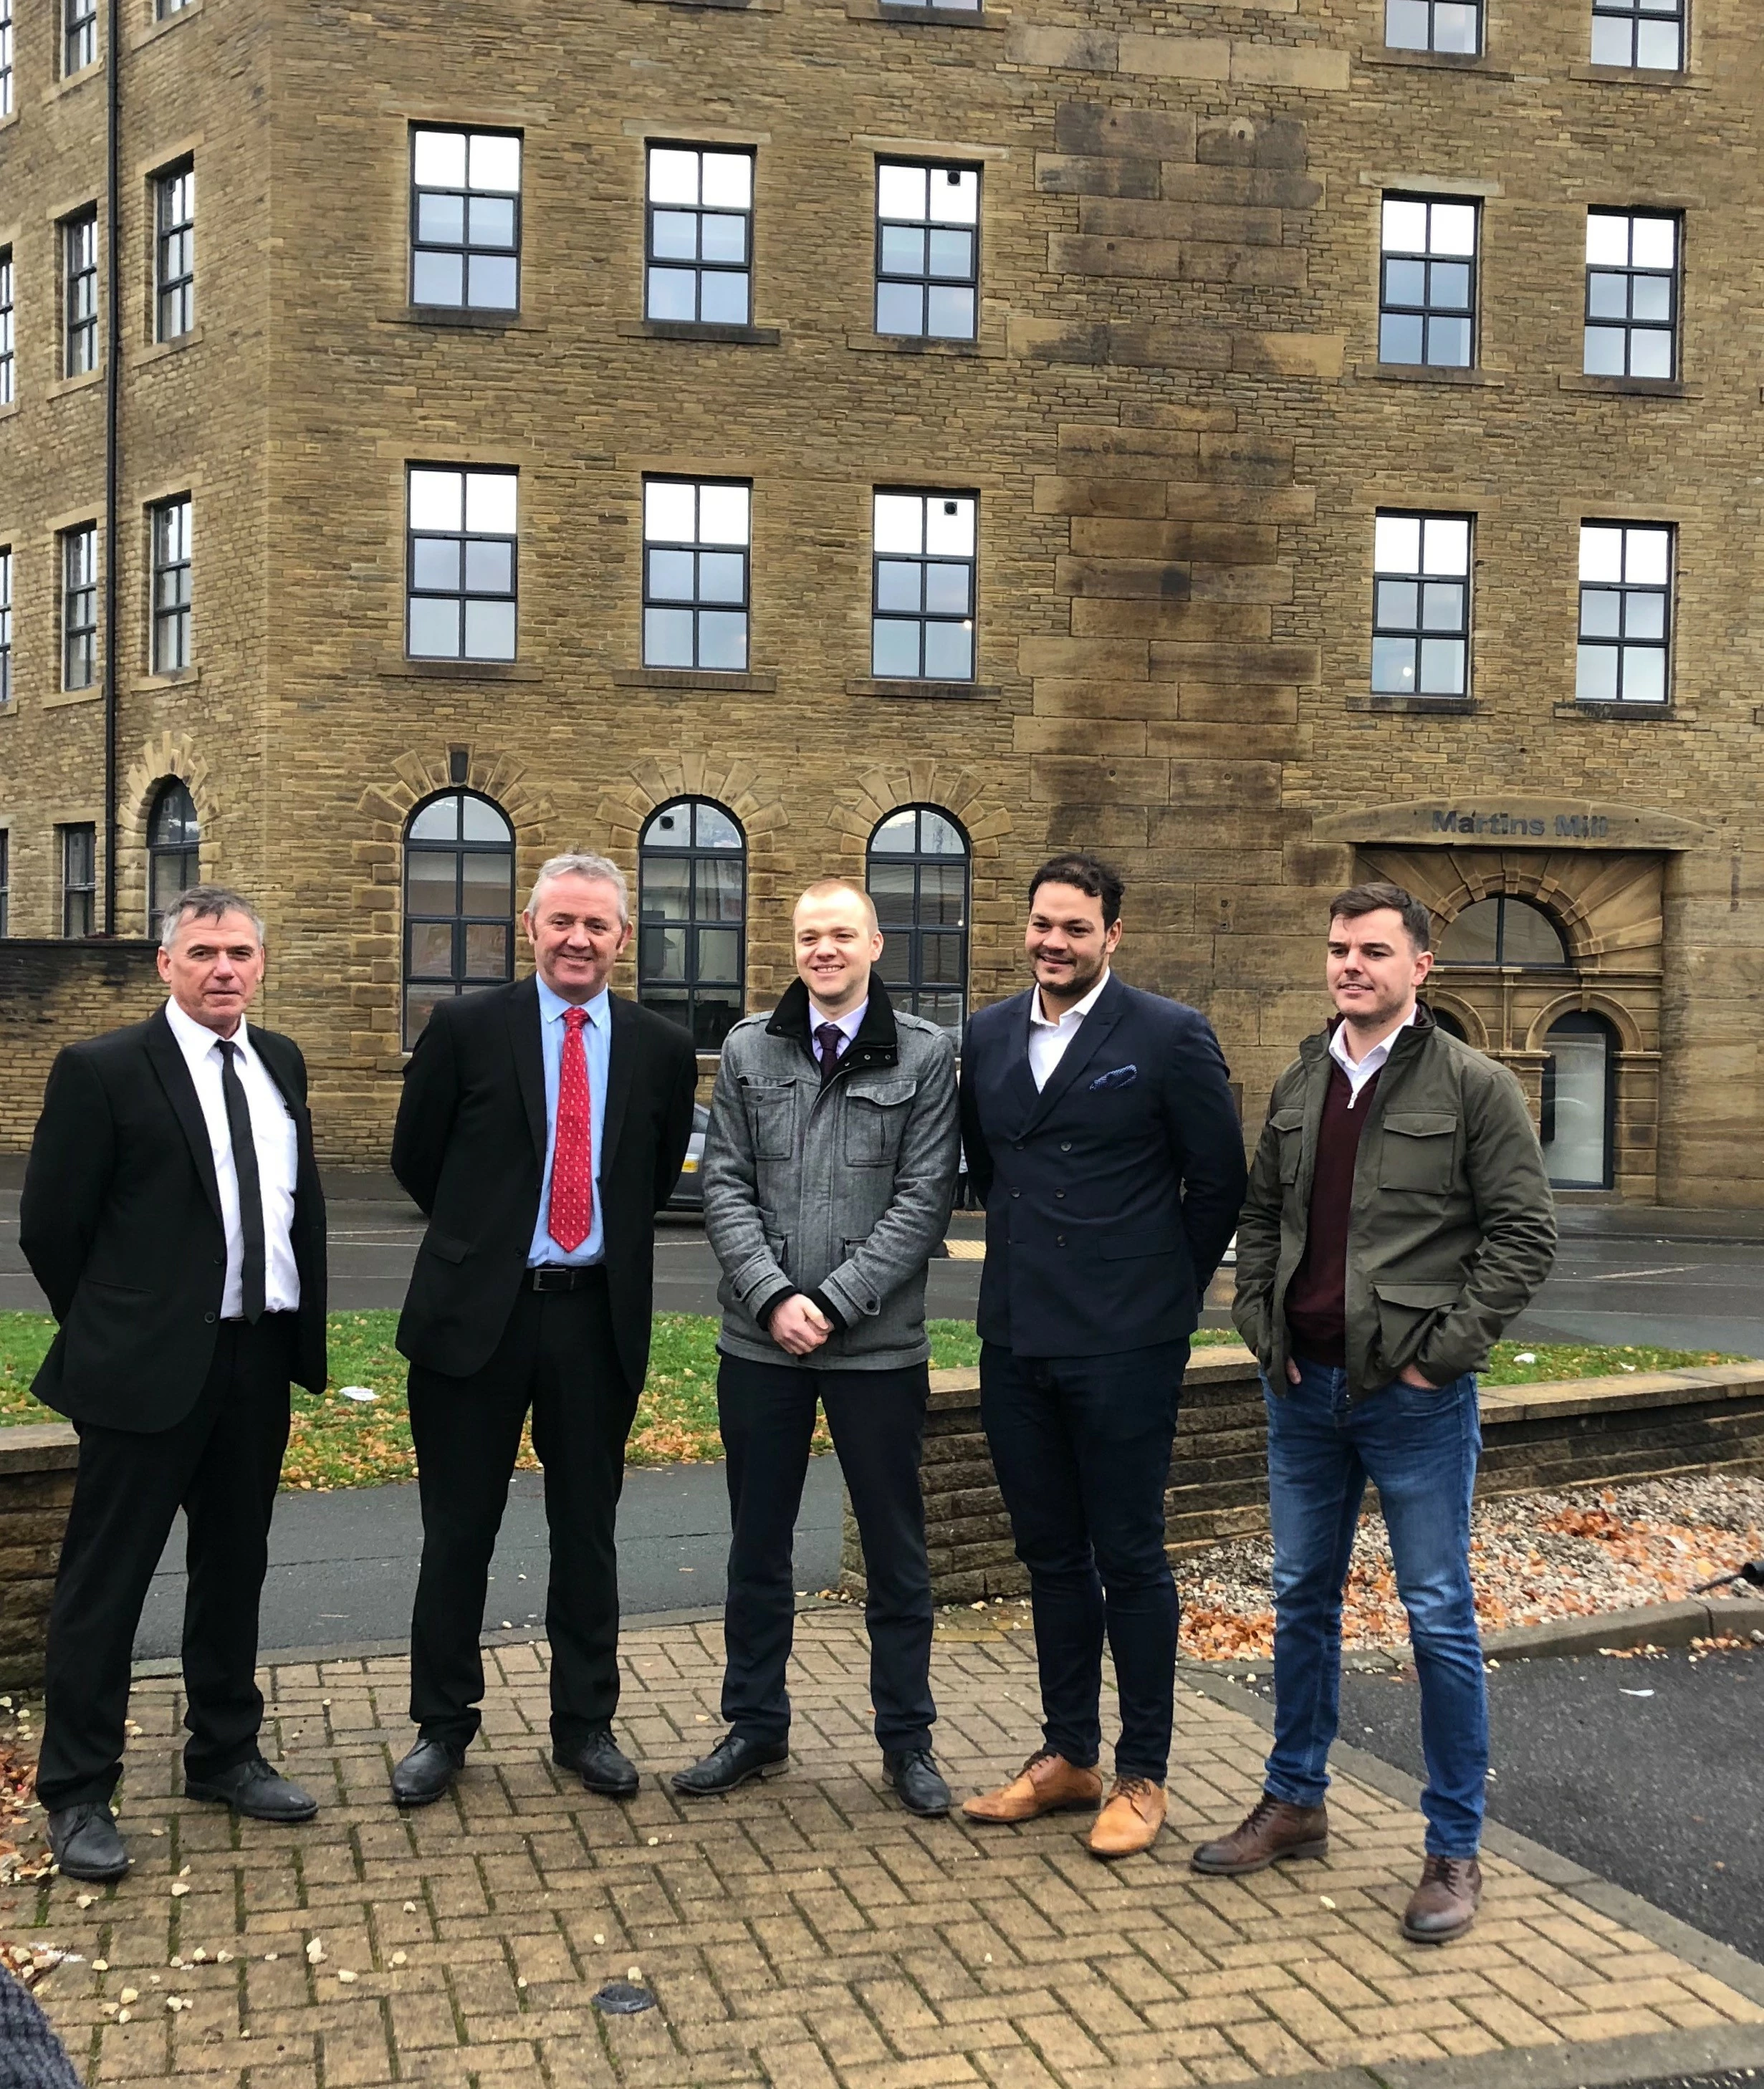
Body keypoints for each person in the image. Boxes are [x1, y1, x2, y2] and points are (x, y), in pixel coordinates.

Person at [1194, 881, 1556, 1944]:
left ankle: (1452, 1849)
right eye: (1338, 949)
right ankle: (1294, 1801)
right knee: (1300, 1601)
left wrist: (1435, 1363)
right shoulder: (1302, 1079)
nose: (1350, 966)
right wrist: (1259, 1326)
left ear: (1418, 967)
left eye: (1372, 951)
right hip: (1301, 1391)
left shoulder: (1475, 1086)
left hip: (1411, 1404)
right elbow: (1261, 1216)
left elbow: (1521, 1240)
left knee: (1437, 1616)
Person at [21, 887, 328, 1883]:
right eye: (203, 952)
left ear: (262, 963)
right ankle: (76, 1791)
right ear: (166, 965)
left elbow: (290, 1210)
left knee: (233, 1569)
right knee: (103, 1585)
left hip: (256, 1361)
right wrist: (118, 1330)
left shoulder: (280, 1061)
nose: (224, 969)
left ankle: (224, 1753)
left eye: (240, 951)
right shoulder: (103, 1071)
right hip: (141, 1373)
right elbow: (52, 1228)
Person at [388, 851, 697, 1807]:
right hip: (473, 1320)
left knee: (587, 1533)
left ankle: (584, 1726)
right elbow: (416, 1159)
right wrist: (487, 1241)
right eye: (561, 921)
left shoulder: (659, 1047)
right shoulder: (466, 1028)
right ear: (530, 927)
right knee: (457, 1534)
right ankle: (441, 1728)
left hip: (591, 1319)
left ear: (621, 940)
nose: (577, 939)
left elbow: (644, 1181)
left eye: (596, 925)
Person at [957, 853, 1247, 1857]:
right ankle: (1067, 1754)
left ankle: (1142, 1773)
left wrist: (1162, 1295)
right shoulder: (988, 1033)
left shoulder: (1168, 1036)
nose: (1053, 942)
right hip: (1017, 1332)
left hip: (1126, 1340)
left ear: (1111, 937)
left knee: (1128, 1557)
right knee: (1047, 1555)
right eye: (1042, 924)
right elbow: (991, 1168)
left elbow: (1216, 1182)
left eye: (1075, 928)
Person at [678, 879, 960, 1814]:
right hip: (759, 1348)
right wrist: (771, 1298)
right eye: (809, 936)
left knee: (895, 1552)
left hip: (877, 1351)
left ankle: (907, 1742)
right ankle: (754, 1727)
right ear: (792, 948)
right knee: (756, 1549)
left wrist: (832, 1303)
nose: (824, 950)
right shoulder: (751, 1049)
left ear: (875, 943)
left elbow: (924, 1202)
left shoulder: (924, 1057)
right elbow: (722, 1184)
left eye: (841, 933)